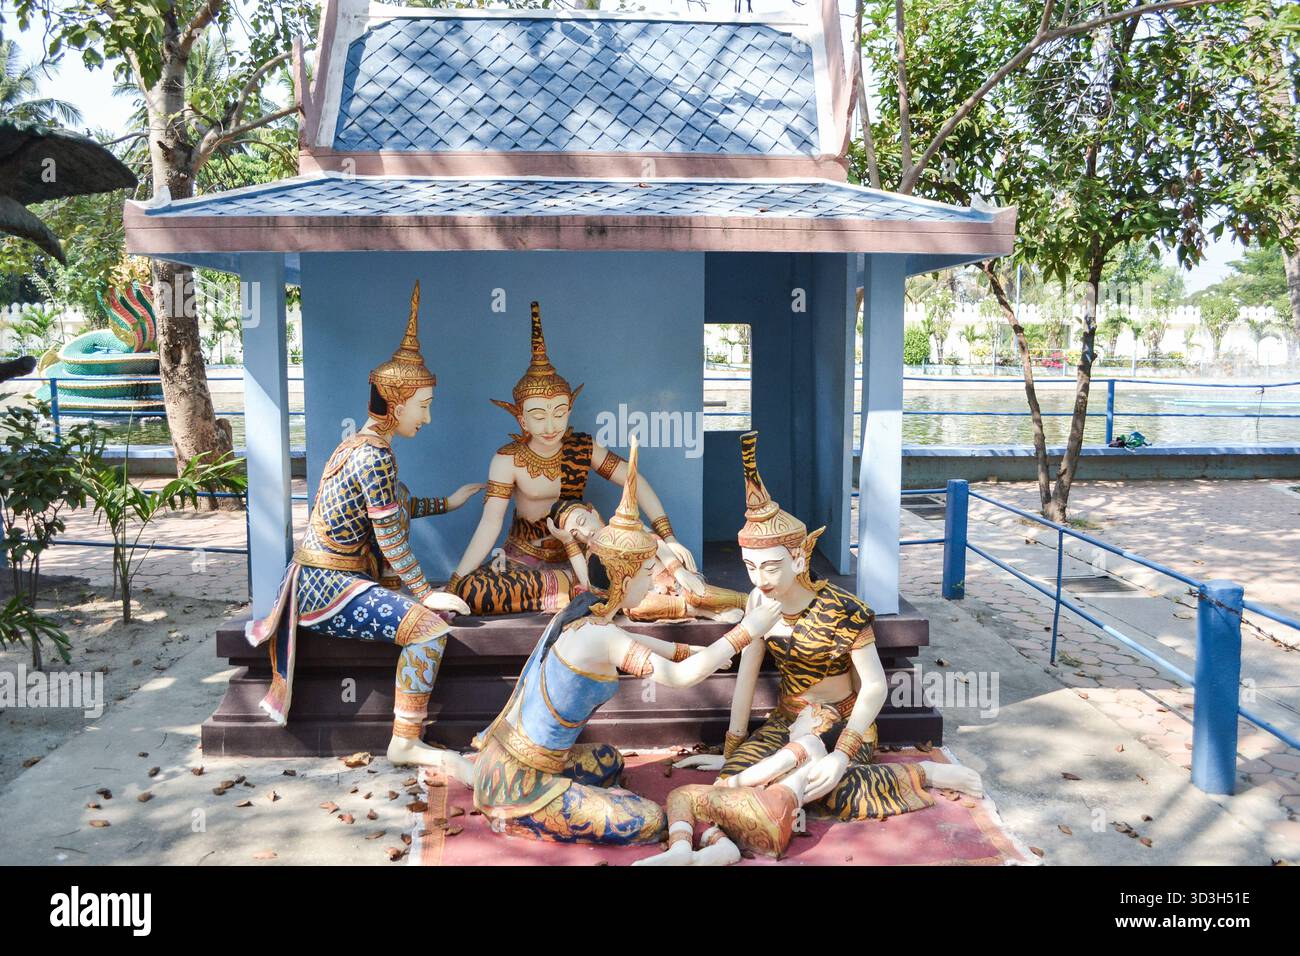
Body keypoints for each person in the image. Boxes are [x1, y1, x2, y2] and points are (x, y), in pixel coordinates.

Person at [469, 438, 784, 844]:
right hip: (520, 785)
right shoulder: (599, 633)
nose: (650, 579)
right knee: (651, 820)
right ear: (623, 579)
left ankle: (555, 798)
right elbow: (680, 677)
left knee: (608, 759)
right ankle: (518, 815)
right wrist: (747, 630)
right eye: (642, 574)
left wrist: (700, 650)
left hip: (506, 764)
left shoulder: (587, 610)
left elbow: (646, 645)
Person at [674, 431, 983, 821]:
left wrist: (841, 754)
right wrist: (731, 750)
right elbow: (747, 676)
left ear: (800, 559)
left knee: (826, 789)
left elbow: (873, 685)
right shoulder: (757, 603)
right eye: (751, 567)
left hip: (844, 726)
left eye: (770, 566)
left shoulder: (844, 610)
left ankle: (924, 773)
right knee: (736, 784)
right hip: (788, 722)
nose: (759, 578)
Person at [247, 282, 479, 770]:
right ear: (396, 403)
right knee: (429, 630)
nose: (430, 417)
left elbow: (396, 507)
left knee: (423, 608)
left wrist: (450, 503)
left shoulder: (363, 446)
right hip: (325, 585)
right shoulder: (371, 455)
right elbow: (391, 536)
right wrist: (424, 591)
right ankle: (406, 741)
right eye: (425, 404)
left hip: (333, 578)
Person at [448, 301, 694, 614]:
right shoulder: (507, 460)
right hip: (525, 561)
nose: (551, 426)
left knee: (643, 550)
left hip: (583, 552)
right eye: (538, 416)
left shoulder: (581, 448)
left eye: (559, 413)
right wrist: (457, 578)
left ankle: (594, 587)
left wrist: (669, 538)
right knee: (473, 591)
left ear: (569, 411)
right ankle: (587, 590)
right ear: (521, 420)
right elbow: (490, 525)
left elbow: (634, 481)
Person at [546, 499, 746, 623]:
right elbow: (591, 585)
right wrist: (567, 541)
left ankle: (747, 601)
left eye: (582, 522)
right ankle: (705, 613)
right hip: (644, 597)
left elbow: (656, 545)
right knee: (635, 609)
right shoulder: (594, 555)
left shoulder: (624, 526)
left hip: (667, 577)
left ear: (592, 512)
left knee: (696, 593)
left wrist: (679, 572)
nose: (584, 532)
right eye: (575, 533)